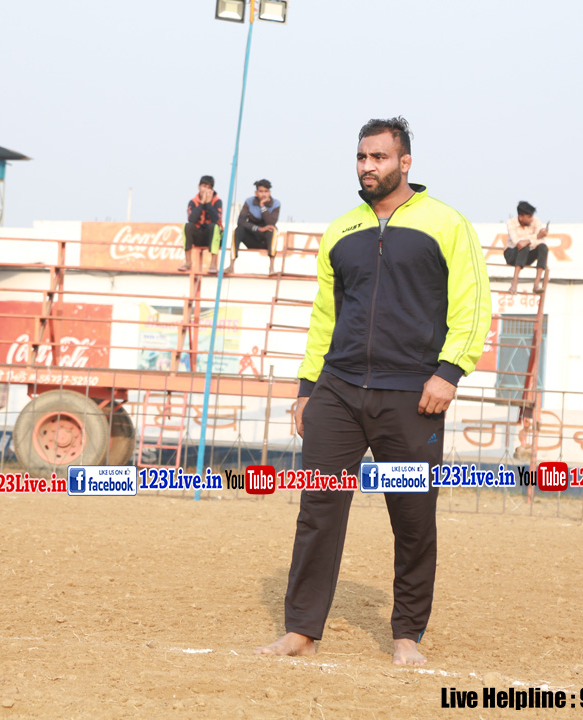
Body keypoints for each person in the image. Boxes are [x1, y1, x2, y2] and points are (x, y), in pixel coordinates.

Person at [255, 117, 491, 666]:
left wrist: (449, 372)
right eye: (362, 157)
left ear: (405, 162)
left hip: (412, 393)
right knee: (317, 509)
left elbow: (473, 304)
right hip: (338, 390)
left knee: (412, 516)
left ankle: (406, 633)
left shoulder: (447, 223)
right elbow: (325, 316)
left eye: (379, 157)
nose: (368, 166)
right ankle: (301, 630)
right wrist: (307, 387)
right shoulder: (341, 231)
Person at [226, 179, 280, 275]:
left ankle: (271, 268)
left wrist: (262, 206)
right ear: (256, 193)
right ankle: (231, 265)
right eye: (261, 191)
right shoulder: (249, 202)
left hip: (265, 240)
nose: (264, 194)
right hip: (252, 237)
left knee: (273, 231)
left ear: (269, 192)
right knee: (238, 230)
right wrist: (259, 229)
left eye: (266, 191)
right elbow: (240, 221)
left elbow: (271, 223)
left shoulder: (275, 204)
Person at [177, 175, 222, 274]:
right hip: (198, 236)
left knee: (214, 227)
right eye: (204, 187)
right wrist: (202, 203)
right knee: (187, 226)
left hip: (212, 237)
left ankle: (213, 264)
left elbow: (216, 220)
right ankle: (188, 262)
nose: (206, 190)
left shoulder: (217, 201)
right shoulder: (193, 202)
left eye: (209, 188)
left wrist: (209, 203)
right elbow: (191, 219)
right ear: (199, 187)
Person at [504, 200, 548, 294]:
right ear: (520, 217)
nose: (531, 219)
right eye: (529, 217)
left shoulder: (536, 221)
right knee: (524, 247)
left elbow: (541, 241)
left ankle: (536, 284)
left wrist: (529, 240)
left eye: (532, 216)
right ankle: (514, 284)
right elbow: (518, 243)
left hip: (527, 256)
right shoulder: (511, 223)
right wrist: (536, 236)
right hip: (512, 255)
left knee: (543, 247)